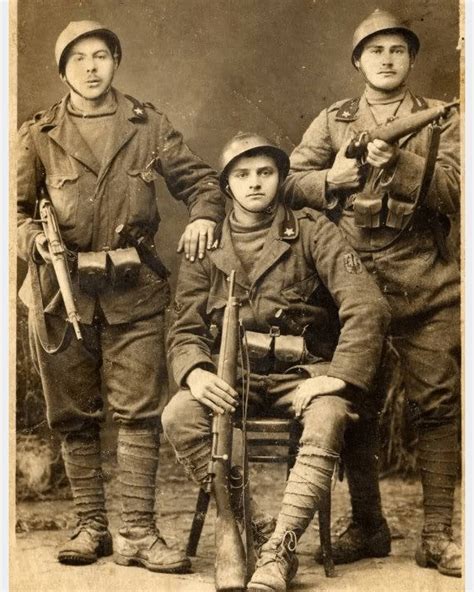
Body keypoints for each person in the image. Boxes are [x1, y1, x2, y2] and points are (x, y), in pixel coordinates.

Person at [17, 20, 226, 572]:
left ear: (115, 62)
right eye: (78, 59)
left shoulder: (148, 125)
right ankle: (91, 526)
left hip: (134, 291)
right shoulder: (38, 132)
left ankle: (138, 532)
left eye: (101, 56)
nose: (91, 67)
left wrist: (205, 216)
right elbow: (13, 213)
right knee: (73, 414)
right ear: (63, 70)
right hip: (60, 297)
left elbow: (204, 183)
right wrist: (34, 239)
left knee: (138, 413)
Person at [162, 132, 391, 592]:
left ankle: (278, 551)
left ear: (281, 178)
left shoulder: (312, 230)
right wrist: (196, 372)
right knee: (179, 413)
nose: (254, 184)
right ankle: (250, 527)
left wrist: (337, 378)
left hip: (299, 376)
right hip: (234, 378)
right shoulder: (205, 244)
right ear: (226, 187)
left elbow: (368, 306)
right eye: (242, 175)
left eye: (265, 173)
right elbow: (183, 328)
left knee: (328, 414)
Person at [286, 9, 461, 577]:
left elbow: (460, 191)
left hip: (423, 280)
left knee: (438, 403)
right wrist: (330, 180)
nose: (387, 59)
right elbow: (287, 181)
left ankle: (438, 534)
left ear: (410, 61)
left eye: (397, 50)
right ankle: (368, 523)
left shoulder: (443, 119)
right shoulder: (334, 119)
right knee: (350, 402)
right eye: (375, 50)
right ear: (358, 61)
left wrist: (404, 162)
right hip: (352, 283)